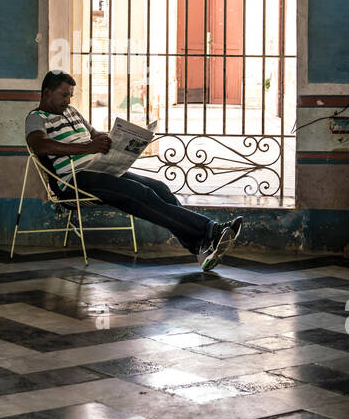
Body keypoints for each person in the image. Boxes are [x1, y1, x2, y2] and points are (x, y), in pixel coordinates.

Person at [25, 70, 242, 270]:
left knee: (160, 188)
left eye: (70, 96)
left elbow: (93, 133)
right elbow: (39, 146)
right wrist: (86, 148)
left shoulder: (72, 112)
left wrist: (104, 138)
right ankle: (210, 230)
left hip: (100, 169)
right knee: (140, 194)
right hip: (74, 181)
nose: (68, 101)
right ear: (46, 93)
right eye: (64, 95)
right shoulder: (36, 118)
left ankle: (201, 246)